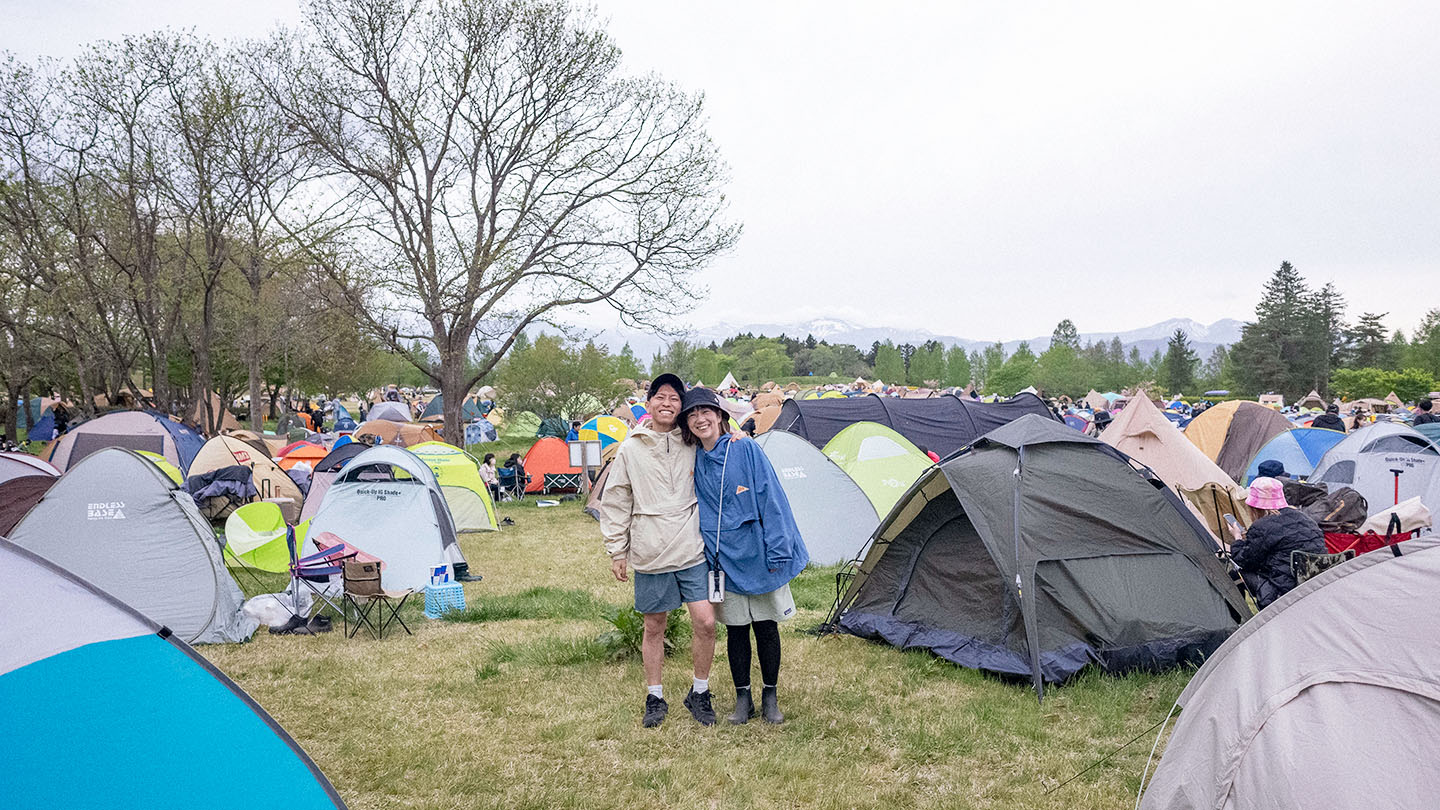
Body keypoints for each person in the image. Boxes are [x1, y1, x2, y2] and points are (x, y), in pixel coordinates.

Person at [679, 386, 808, 725]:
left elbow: (771, 496)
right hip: (722, 560)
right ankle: (742, 698)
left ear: (720, 416)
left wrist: (778, 549)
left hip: (759, 553)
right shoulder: (692, 457)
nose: (699, 419)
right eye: (692, 414)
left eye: (706, 411)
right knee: (736, 630)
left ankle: (770, 695)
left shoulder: (745, 448)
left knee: (766, 627)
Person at [598, 373, 718, 729]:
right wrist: (617, 550)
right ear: (648, 402)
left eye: (674, 398)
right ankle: (655, 695)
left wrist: (738, 433)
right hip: (651, 548)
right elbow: (617, 499)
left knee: (707, 622)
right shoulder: (631, 448)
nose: (667, 403)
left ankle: (700, 691)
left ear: (682, 406)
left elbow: (719, 437)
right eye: (660, 397)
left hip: (692, 546)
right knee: (654, 625)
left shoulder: (691, 441)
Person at [1226, 477, 1325, 609]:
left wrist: (1237, 538)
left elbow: (1243, 561)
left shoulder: (1262, 526)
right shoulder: (1308, 520)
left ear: (1253, 508)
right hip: (1314, 588)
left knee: (1235, 574)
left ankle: (1238, 623)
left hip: (1281, 592)